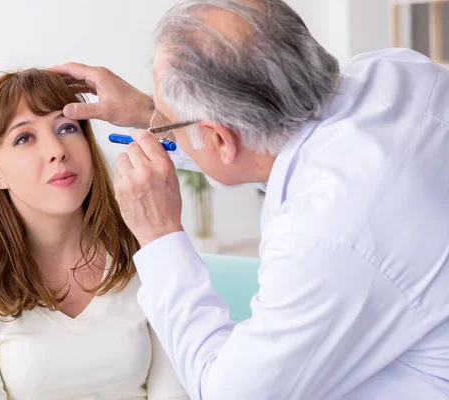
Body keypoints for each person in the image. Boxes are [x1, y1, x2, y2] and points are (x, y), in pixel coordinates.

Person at [51, 0, 449, 398]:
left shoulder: (323, 238)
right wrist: (147, 110)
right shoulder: (397, 71)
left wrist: (158, 235)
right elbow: (271, 153)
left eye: (167, 120)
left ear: (221, 139)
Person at [0, 69, 189, 400]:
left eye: (67, 128)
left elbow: (173, 391)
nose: (57, 150)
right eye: (24, 138)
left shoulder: (143, 252)